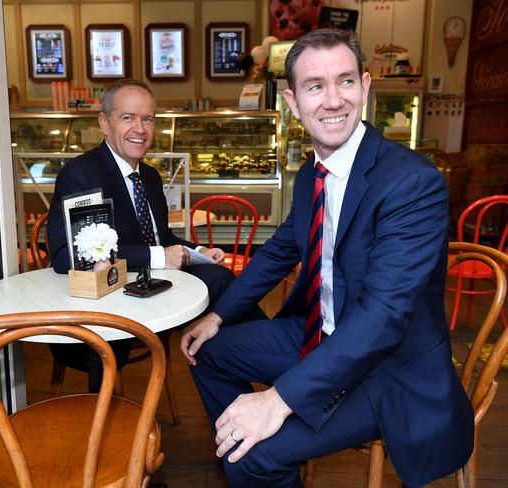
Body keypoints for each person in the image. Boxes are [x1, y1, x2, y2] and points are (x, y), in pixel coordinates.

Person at [180, 29, 473, 488]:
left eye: (346, 81)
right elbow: (280, 250)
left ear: (366, 86)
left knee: (251, 461)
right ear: (293, 103)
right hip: (320, 334)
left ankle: (251, 461)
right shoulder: (310, 175)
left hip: (386, 370)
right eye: (316, 86)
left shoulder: (411, 182)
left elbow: (384, 316)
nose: (333, 100)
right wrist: (219, 313)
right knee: (208, 351)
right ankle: (241, 443)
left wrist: (278, 401)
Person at [47, 78, 236, 372]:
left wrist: (198, 250)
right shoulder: (81, 175)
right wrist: (161, 256)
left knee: (220, 278)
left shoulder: (149, 176)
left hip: (151, 287)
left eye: (147, 119)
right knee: (219, 299)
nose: (140, 129)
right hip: (111, 301)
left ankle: (252, 356)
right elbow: (67, 256)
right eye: (128, 118)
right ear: (104, 123)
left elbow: (161, 236)